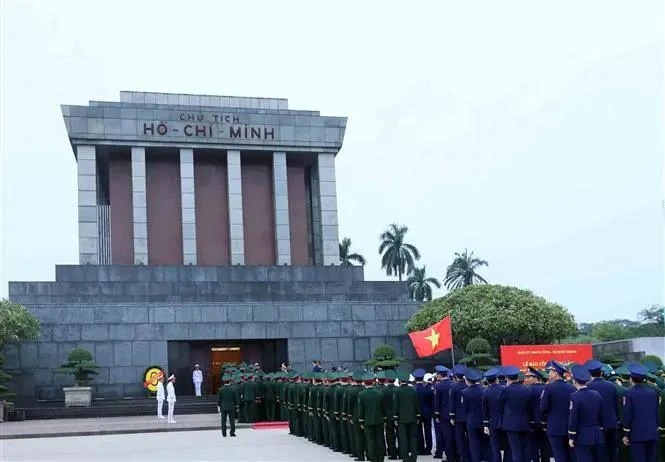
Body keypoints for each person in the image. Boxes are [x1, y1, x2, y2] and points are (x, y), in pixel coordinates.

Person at [622, 363, 659, 462]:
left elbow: (628, 414)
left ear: (631, 378)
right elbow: (656, 412)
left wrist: (626, 433)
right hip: (652, 433)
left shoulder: (628, 393)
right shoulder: (652, 393)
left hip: (637, 434)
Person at [541, 359, 576, 462]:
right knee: (571, 456)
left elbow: (543, 407)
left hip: (555, 427)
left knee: (559, 455)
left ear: (555, 373)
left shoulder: (548, 388)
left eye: (550, 371)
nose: (549, 374)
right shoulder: (572, 388)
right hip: (569, 427)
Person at [567, 365, 604, 462]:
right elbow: (601, 414)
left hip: (582, 436)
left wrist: (571, 436)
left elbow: (573, 419)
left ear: (574, 381)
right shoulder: (597, 394)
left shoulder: (575, 396)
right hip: (597, 435)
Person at [585, 359, 620, 462]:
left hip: (597, 426)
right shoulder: (612, 386)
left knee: (599, 454)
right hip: (612, 424)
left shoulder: (588, 387)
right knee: (613, 452)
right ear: (601, 372)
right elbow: (615, 404)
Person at [500, 365, 532, 462]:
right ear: (518, 377)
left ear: (507, 378)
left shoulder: (506, 390)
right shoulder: (526, 389)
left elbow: (501, 402)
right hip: (524, 423)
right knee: (525, 449)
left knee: (515, 450)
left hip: (511, 424)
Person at [482, 367, 511, 462]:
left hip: (492, 422)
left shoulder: (485, 392)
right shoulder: (505, 389)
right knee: (508, 446)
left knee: (495, 447)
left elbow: (485, 409)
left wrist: (485, 424)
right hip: (505, 421)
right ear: (497, 379)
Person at [358, 372, 386, 462]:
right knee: (380, 440)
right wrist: (384, 419)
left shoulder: (362, 394)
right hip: (379, 420)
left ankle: (372, 458)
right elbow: (383, 408)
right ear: (373, 382)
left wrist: (361, 421)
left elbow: (361, 409)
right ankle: (380, 458)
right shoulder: (379, 393)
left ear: (364, 382)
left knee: (370, 441)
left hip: (367, 421)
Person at [393, 370, 419, 462]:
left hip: (401, 418)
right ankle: (414, 456)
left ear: (400, 380)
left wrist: (395, 417)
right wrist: (418, 415)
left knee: (403, 438)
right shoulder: (413, 390)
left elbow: (396, 406)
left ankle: (405, 457)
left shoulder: (397, 391)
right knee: (413, 437)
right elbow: (416, 404)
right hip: (412, 417)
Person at [462, 369, 486, 462]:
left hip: (471, 420)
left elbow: (465, 408)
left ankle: (476, 459)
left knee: (473, 443)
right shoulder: (484, 390)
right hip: (483, 420)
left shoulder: (464, 392)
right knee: (486, 442)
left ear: (467, 380)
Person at [433, 365, 454, 461]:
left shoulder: (438, 386)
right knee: (454, 434)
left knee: (447, 435)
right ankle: (456, 455)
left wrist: (436, 414)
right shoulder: (453, 384)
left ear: (439, 375)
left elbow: (437, 402)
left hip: (443, 415)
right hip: (453, 413)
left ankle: (450, 456)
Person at [450, 364, 470, 462]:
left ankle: (462, 456)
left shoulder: (453, 386)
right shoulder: (468, 384)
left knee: (460, 438)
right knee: (471, 437)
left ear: (456, 376)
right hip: (468, 415)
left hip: (458, 417)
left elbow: (452, 403)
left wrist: (452, 416)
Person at [413, 368, 433, 456]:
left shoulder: (413, 390)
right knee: (428, 430)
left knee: (418, 431)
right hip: (427, 412)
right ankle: (428, 449)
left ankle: (420, 448)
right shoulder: (428, 389)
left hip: (417, 412)